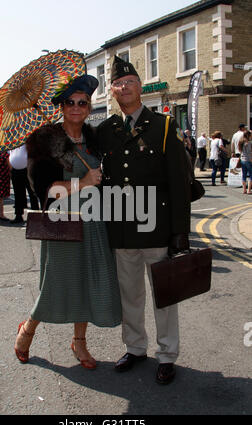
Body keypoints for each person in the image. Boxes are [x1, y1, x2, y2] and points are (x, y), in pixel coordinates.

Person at [14, 75, 121, 369]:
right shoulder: (44, 140)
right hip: (62, 221)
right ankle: (28, 330)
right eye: (70, 102)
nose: (76, 107)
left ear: (89, 107)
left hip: (94, 221)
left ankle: (79, 343)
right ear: (62, 106)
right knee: (56, 281)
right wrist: (82, 182)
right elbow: (43, 189)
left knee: (86, 280)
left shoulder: (94, 139)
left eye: (82, 102)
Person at [96, 56, 191, 385]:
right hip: (122, 229)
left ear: (140, 86)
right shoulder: (105, 130)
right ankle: (135, 348)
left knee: (165, 294)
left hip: (156, 227)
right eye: (118, 84)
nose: (124, 87)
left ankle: (167, 354)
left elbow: (179, 182)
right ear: (111, 91)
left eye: (130, 82)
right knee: (129, 296)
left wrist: (180, 232)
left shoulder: (164, 126)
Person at [9, 144, 39, 224]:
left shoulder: (28, 140)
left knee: (32, 192)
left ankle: (36, 215)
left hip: (27, 169)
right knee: (18, 193)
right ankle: (18, 215)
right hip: (15, 170)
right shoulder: (13, 143)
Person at [238, 130, 252, 194]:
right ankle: (249, 190)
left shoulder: (241, 142)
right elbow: (249, 153)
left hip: (242, 160)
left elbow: (241, 151)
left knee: (244, 175)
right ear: (248, 135)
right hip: (248, 160)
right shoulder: (248, 143)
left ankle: (244, 190)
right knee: (251, 175)